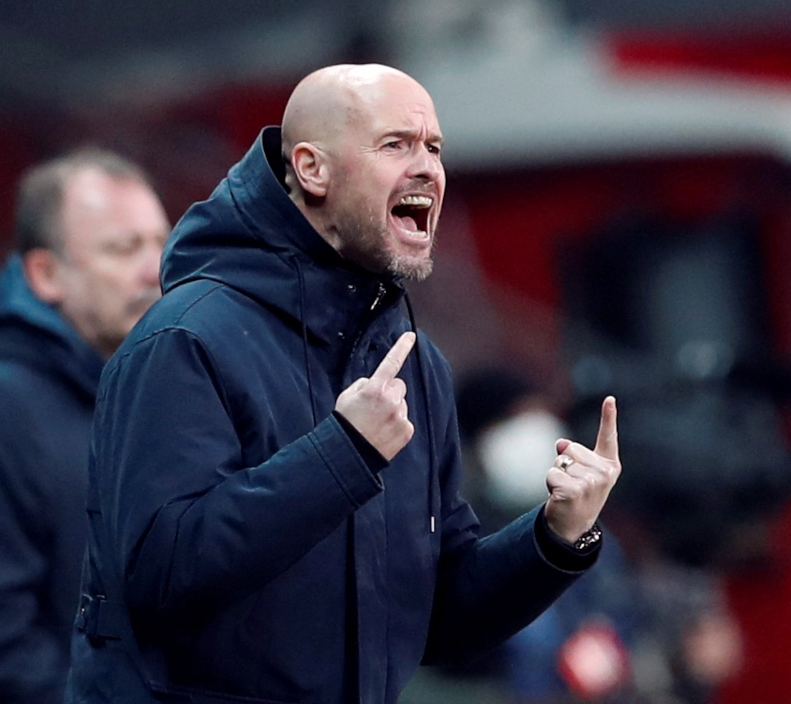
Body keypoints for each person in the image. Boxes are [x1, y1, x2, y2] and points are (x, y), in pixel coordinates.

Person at [65, 63, 621, 704]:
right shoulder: (185, 338)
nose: (428, 169)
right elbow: (159, 579)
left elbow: (434, 618)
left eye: (434, 148)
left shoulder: (415, 363)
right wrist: (343, 454)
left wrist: (554, 536)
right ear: (311, 170)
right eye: (396, 145)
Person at [0, 148, 170, 704]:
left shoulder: (161, 394)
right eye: (123, 247)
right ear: (45, 274)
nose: (155, 269)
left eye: (162, 242)